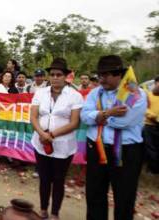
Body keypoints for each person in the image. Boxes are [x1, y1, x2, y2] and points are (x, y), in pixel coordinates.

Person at [81, 55, 147, 220]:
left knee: (124, 196)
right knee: (95, 193)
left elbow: (123, 122)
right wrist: (108, 113)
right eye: (100, 75)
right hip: (97, 148)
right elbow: (84, 117)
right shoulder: (95, 93)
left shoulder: (135, 93)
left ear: (118, 74)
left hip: (126, 152)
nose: (101, 79)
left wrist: (98, 117)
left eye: (106, 75)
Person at [30, 58, 83, 219]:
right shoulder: (40, 93)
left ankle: (55, 213)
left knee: (58, 179)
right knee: (44, 178)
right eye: (52, 74)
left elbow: (74, 123)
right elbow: (33, 117)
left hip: (63, 145)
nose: (55, 77)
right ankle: (43, 209)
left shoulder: (75, 96)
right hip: (40, 143)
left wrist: (52, 135)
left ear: (66, 76)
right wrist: (42, 134)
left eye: (59, 74)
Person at [143, 75, 159, 174]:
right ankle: (153, 170)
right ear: (155, 83)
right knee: (150, 149)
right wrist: (154, 116)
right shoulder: (148, 95)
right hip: (149, 126)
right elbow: (144, 109)